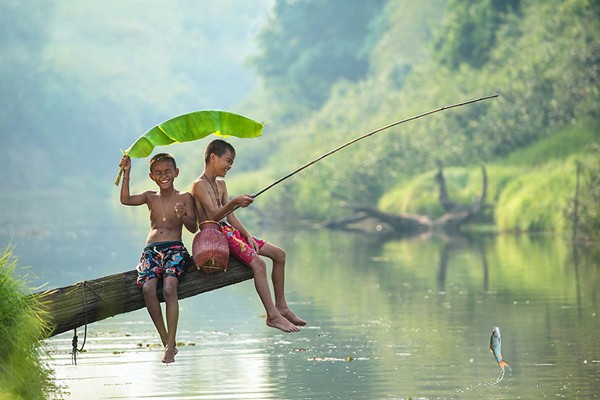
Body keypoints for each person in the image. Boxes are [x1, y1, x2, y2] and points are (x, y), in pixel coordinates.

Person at [192, 139, 306, 333]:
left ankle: (282, 306)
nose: (229, 166)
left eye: (232, 163)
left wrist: (247, 235)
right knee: (259, 264)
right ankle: (272, 316)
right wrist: (235, 201)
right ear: (213, 157)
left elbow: (230, 216)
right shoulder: (198, 185)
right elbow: (212, 215)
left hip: (230, 231)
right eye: (227, 161)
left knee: (279, 255)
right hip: (216, 235)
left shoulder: (221, 184)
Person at [119, 153, 197, 363]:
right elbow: (125, 200)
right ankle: (166, 341)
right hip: (151, 250)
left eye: (168, 172)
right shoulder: (149, 196)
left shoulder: (185, 197)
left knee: (170, 288)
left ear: (176, 173)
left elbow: (193, 227)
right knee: (148, 289)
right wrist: (127, 173)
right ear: (152, 176)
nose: (164, 176)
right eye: (159, 173)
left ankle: (171, 344)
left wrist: (183, 215)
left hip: (175, 249)